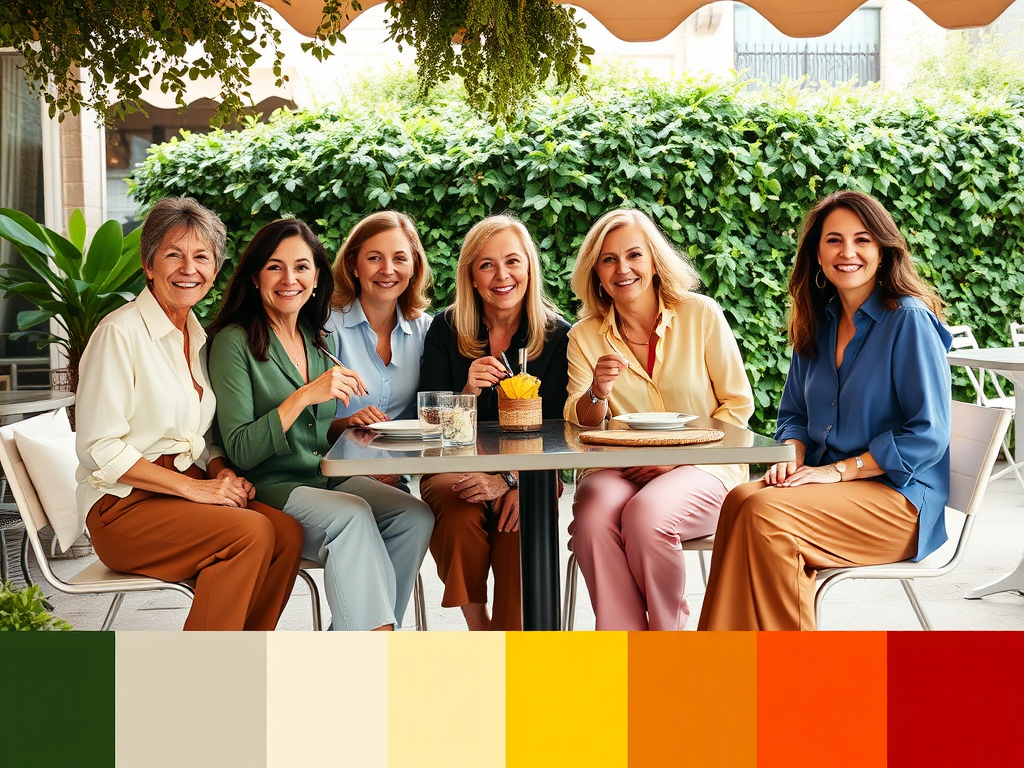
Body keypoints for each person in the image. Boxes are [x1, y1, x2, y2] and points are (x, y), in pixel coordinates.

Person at [698, 190, 952, 631]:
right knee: (740, 499)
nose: (847, 252)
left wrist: (837, 471)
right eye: (834, 240)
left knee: (767, 516)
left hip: (899, 500)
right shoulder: (819, 320)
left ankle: (794, 682)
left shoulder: (908, 320)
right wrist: (793, 453)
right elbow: (793, 414)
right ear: (817, 252)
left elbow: (928, 435)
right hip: (830, 490)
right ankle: (728, 671)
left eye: (863, 240)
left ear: (883, 250)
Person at [75, 197, 304, 631]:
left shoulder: (197, 336)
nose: (188, 268)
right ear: (149, 265)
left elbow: (198, 436)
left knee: (287, 534)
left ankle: (243, 659)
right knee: (248, 534)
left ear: (214, 271)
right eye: (173, 255)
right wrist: (192, 489)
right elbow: (98, 448)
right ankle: (201, 681)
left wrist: (218, 473)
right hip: (122, 508)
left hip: (181, 491)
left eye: (201, 257)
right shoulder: (118, 334)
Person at [207, 218, 433, 631]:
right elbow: (240, 448)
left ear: (315, 280)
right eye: (275, 267)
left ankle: (364, 634)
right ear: (255, 277)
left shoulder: (314, 337)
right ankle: (372, 643)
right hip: (271, 486)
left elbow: (316, 431)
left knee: (413, 515)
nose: (289, 278)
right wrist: (306, 394)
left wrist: (347, 423)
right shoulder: (232, 342)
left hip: (321, 477)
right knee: (352, 516)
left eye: (302, 267)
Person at [565, 208, 754, 631]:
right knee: (593, 522)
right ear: (596, 271)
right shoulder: (584, 335)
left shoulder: (701, 315)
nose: (623, 268)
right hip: (619, 466)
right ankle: (625, 645)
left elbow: (737, 405)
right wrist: (597, 392)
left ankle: (668, 641)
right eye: (608, 259)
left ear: (654, 260)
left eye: (634, 255)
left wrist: (678, 460)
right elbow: (582, 425)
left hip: (705, 465)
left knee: (647, 515)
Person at [418, 214, 570, 630]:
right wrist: (467, 392)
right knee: (459, 505)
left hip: (534, 467)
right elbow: (432, 431)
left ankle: (515, 637)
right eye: (487, 265)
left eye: (512, 262)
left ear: (529, 268)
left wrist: (512, 479)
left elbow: (559, 432)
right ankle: (479, 625)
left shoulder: (557, 335)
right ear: (471, 275)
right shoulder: (446, 329)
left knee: (519, 519)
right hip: (456, 463)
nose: (501, 276)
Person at [324, 212, 432, 489]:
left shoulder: (426, 331)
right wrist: (348, 422)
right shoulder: (325, 326)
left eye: (399, 258)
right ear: (353, 265)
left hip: (395, 478)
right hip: (332, 476)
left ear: (414, 267)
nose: (387, 269)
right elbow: (304, 421)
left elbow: (434, 417)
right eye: (374, 258)